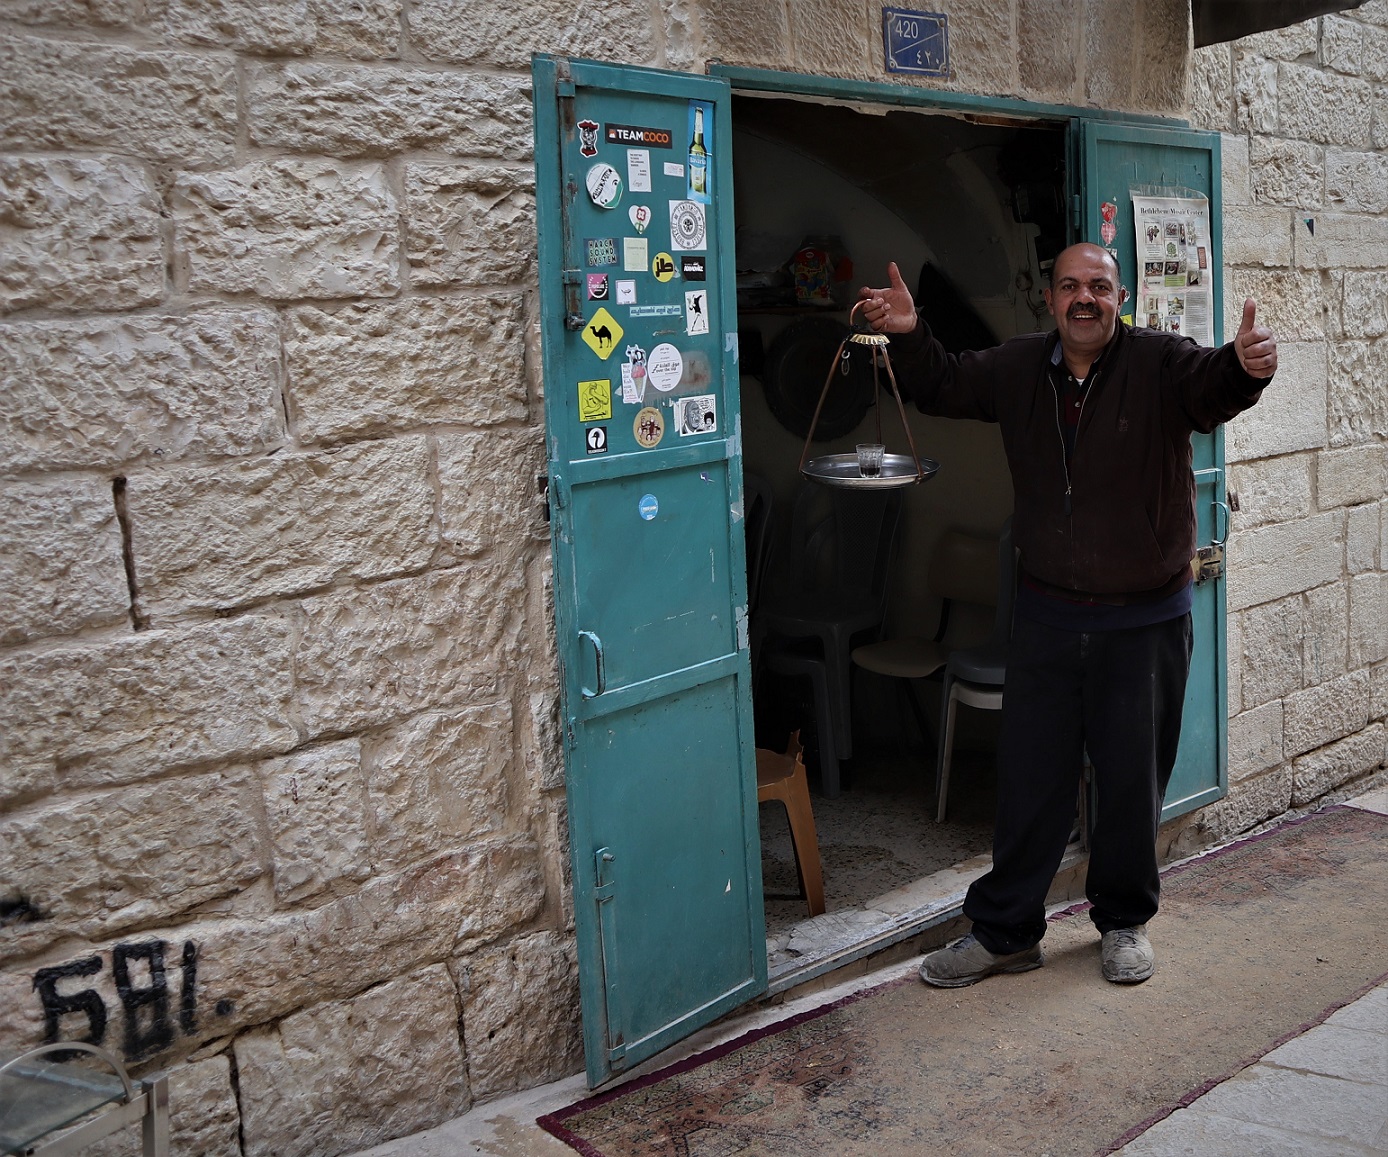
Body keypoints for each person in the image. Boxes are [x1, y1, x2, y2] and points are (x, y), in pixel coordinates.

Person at [858, 243, 1277, 987]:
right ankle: (1007, 933)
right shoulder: (1020, 367)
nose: (1085, 299)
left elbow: (1213, 388)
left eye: (1100, 287)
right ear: (1049, 299)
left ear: (1122, 297)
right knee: (1031, 781)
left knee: (1128, 779)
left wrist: (1244, 366)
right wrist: (910, 333)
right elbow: (944, 383)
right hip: (1048, 613)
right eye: (1070, 287)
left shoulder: (1161, 362)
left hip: (1143, 618)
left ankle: (1122, 923)